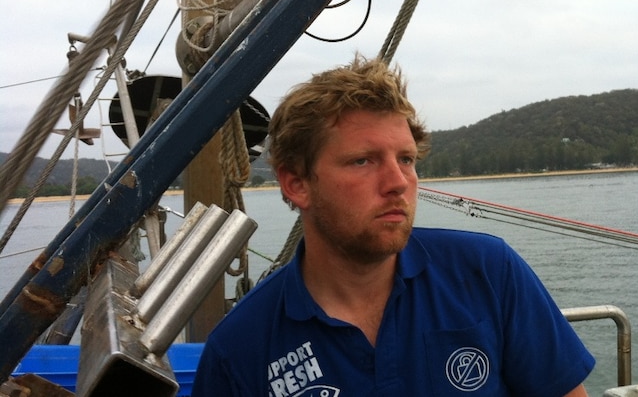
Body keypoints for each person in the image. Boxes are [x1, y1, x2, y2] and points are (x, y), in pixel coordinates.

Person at [191, 56, 595, 396]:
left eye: (405, 159)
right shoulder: (241, 348)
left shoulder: (488, 273)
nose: (399, 182)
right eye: (363, 160)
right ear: (297, 184)